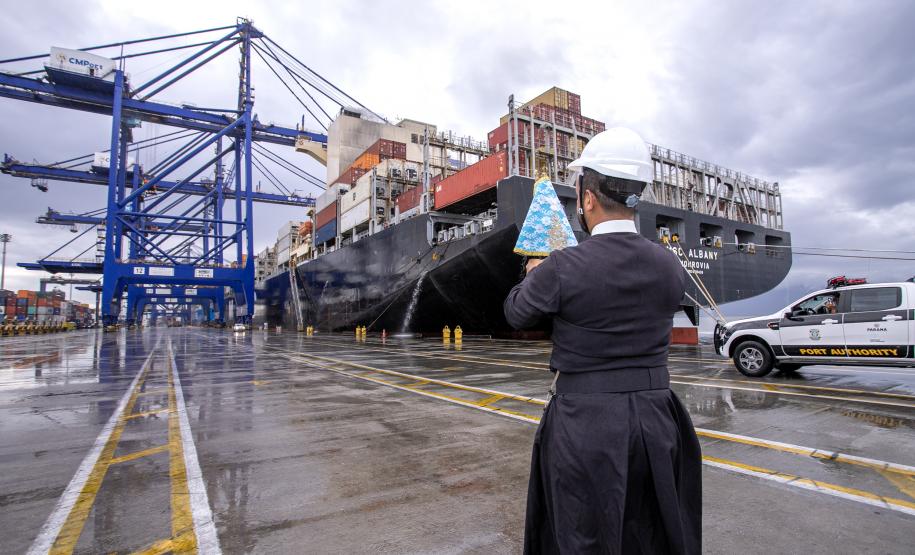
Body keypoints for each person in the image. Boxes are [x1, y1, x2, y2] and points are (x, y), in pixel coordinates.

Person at [504, 127, 702, 554]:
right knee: (653, 535)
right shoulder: (669, 266)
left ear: (588, 198)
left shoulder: (561, 267)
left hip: (585, 426)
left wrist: (533, 272)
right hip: (658, 420)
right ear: (635, 197)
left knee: (582, 538)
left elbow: (517, 312)